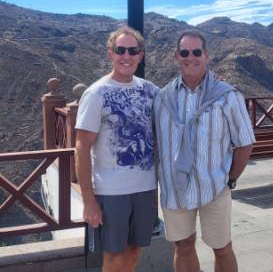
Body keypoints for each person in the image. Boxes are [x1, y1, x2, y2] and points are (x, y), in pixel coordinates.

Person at [154, 29, 255, 272]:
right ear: (176, 56)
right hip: (175, 189)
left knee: (222, 247)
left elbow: (244, 142)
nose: (190, 57)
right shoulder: (162, 98)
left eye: (196, 52)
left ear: (206, 55)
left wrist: (230, 179)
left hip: (214, 187)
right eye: (184, 52)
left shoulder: (227, 96)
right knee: (183, 245)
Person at [75, 26, 158, 272]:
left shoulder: (150, 90)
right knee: (114, 257)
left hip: (145, 189)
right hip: (111, 192)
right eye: (120, 50)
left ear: (140, 55)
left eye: (133, 50)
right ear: (110, 53)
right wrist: (89, 202)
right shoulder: (96, 93)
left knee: (133, 252)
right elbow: (81, 149)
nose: (127, 56)